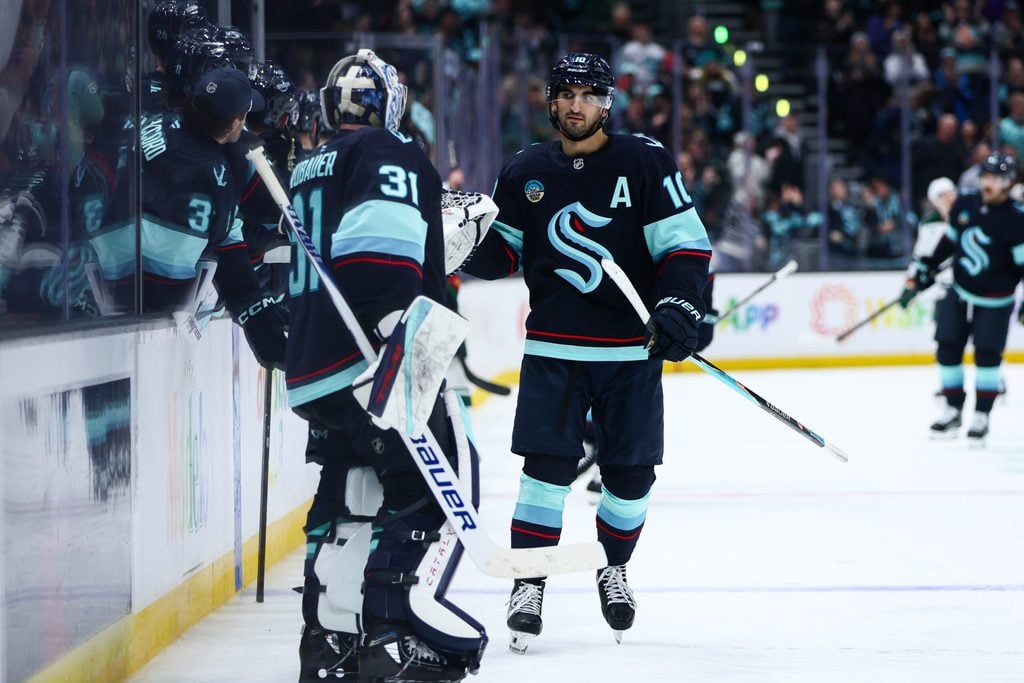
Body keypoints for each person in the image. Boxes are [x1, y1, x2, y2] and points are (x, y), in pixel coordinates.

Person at [461, 53, 712, 652]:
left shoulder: (645, 161)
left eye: (588, 94)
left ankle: (614, 567)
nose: (575, 105)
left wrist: (679, 306)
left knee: (630, 477)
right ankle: (529, 585)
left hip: (629, 353)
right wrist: (459, 243)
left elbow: (684, 247)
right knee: (544, 473)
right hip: (554, 350)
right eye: (564, 94)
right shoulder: (525, 170)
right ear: (550, 101)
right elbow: (503, 254)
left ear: (608, 103)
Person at [285, 49, 485, 682]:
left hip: (314, 365)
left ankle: (325, 639)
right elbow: (380, 263)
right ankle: (390, 635)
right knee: (425, 480)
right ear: (390, 103)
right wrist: (395, 343)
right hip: (367, 360)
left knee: (347, 490)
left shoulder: (308, 165)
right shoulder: (389, 154)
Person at [91, 66, 286, 367]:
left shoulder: (154, 123)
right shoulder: (216, 174)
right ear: (235, 123)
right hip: (162, 299)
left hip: (106, 280)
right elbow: (230, 255)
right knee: (217, 262)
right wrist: (257, 311)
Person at [899, 152, 1024, 443]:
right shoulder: (965, 203)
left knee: (987, 356)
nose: (988, 183)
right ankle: (953, 410)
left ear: (1007, 182)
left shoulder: (1016, 219)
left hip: (996, 300)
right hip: (959, 291)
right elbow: (949, 242)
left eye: (995, 178)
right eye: (985, 176)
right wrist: (925, 268)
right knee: (947, 348)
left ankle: (982, 414)